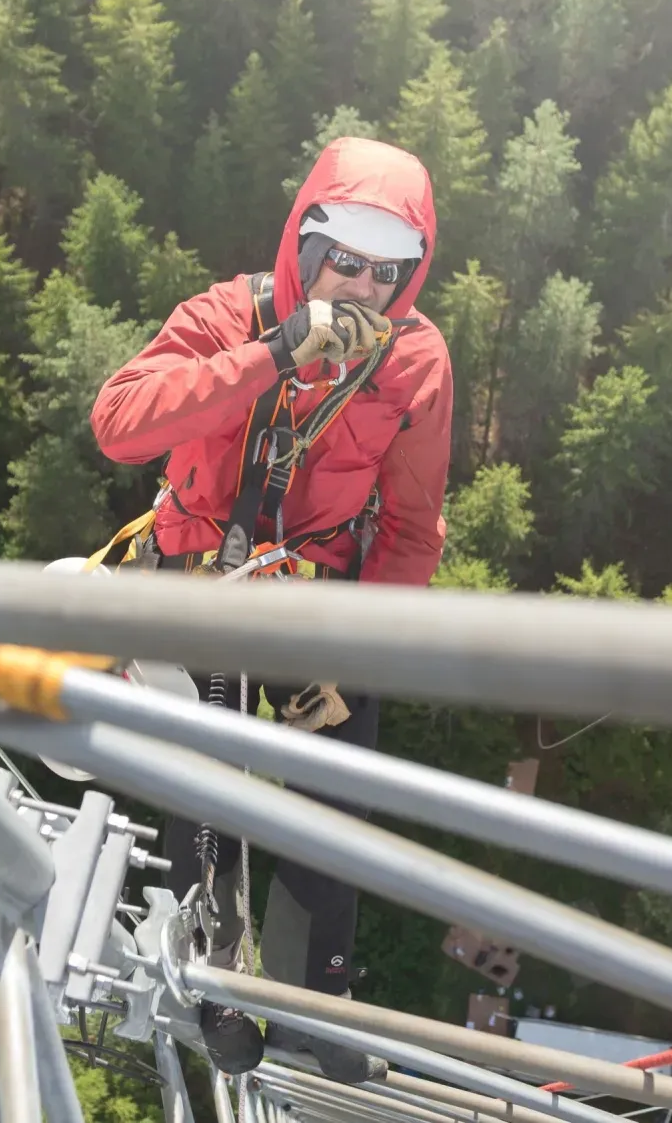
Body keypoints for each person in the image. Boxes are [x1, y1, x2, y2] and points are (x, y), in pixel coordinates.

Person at [90, 136, 453, 1082]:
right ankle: (220, 985)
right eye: (344, 260)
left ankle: (314, 999)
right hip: (202, 582)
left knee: (334, 813)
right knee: (204, 816)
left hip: (311, 602)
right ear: (306, 246)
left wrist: (357, 642)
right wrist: (272, 355)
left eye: (388, 270)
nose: (363, 286)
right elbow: (120, 422)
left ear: (410, 276)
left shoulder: (414, 363)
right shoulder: (230, 315)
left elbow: (413, 529)